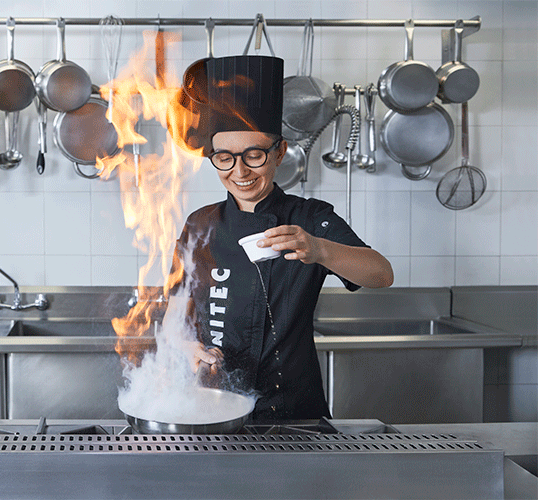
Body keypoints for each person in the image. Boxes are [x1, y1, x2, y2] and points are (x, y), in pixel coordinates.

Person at [167, 54, 394, 423]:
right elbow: (175, 315)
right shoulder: (199, 224)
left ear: (280, 152)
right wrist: (186, 345)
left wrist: (319, 249)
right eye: (224, 157)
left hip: (293, 414)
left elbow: (381, 274)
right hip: (213, 409)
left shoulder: (310, 218)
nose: (239, 171)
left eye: (254, 155)